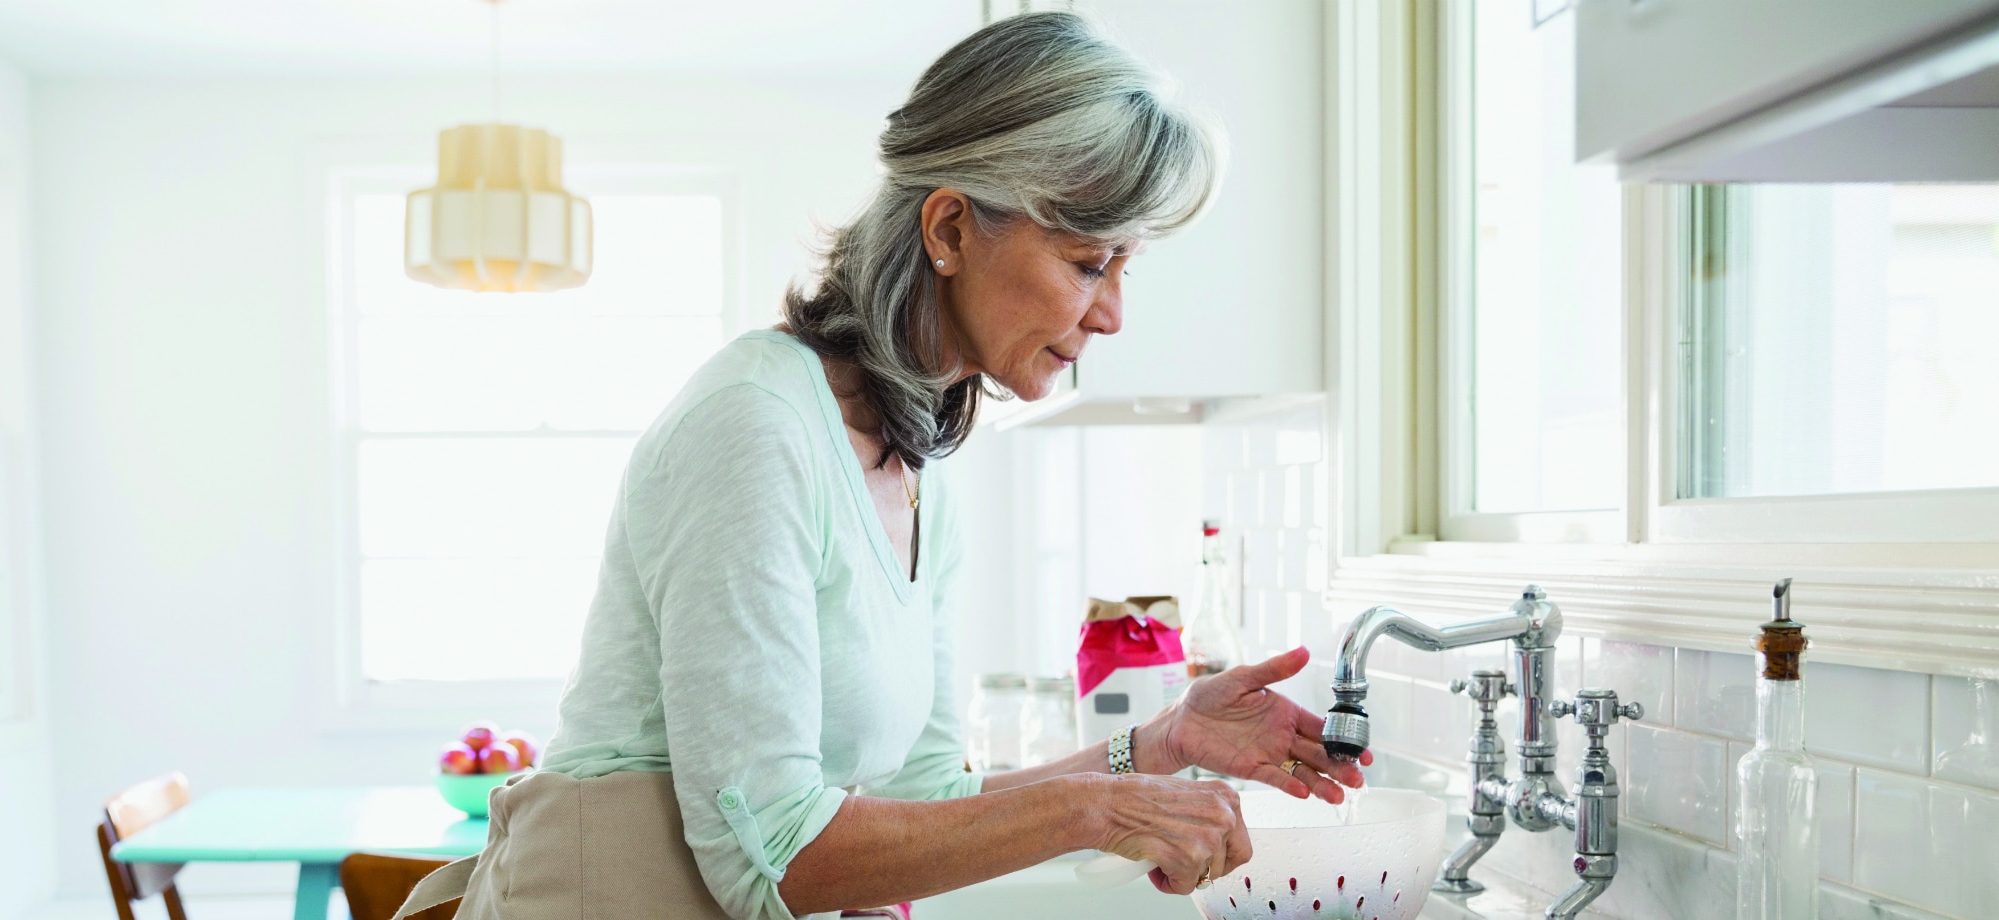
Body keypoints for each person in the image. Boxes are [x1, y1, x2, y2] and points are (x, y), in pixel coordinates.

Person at [392, 12, 1369, 920]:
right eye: (1085, 262)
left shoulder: (916, 471)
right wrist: (1098, 808)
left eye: (1125, 267)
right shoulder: (757, 425)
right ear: (948, 230)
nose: (1112, 312)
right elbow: (776, 856)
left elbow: (924, 799)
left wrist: (1155, 748)